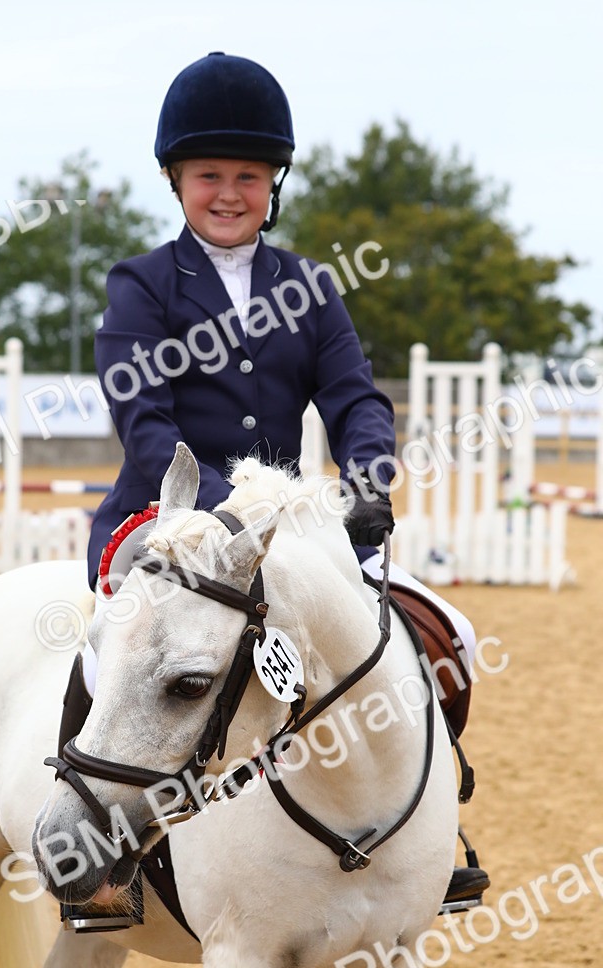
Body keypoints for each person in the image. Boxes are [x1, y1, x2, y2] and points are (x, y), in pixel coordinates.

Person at [72, 51, 488, 912]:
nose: (229, 193)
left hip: (293, 535)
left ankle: (430, 836)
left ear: (274, 183)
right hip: (169, 525)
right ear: (176, 180)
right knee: (111, 657)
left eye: (249, 177)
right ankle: (100, 856)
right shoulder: (140, 286)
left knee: (444, 642)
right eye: (209, 175)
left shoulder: (310, 286)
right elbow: (145, 423)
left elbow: (355, 399)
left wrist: (367, 483)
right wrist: (226, 523)